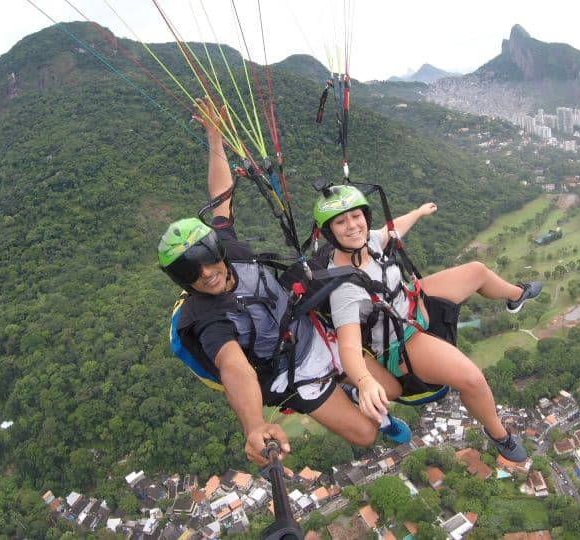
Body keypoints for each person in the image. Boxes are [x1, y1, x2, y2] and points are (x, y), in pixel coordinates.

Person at [157, 100, 410, 467]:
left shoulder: (232, 251)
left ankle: (349, 382)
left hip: (309, 330)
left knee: (393, 391)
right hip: (290, 372)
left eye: (206, 260)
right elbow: (235, 369)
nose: (205, 274)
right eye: (187, 272)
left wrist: (215, 137)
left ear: (216, 249)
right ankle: (343, 390)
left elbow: (221, 197)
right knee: (367, 434)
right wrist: (254, 424)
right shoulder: (208, 319)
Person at [312, 184, 542, 462]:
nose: (352, 226)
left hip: (410, 302)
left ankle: (517, 295)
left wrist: (418, 212)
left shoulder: (368, 241)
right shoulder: (344, 290)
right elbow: (348, 346)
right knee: (472, 379)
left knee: (477, 271)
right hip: (401, 340)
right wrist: (363, 381)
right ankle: (499, 435)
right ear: (329, 231)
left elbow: (391, 229)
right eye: (340, 221)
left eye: (356, 216)